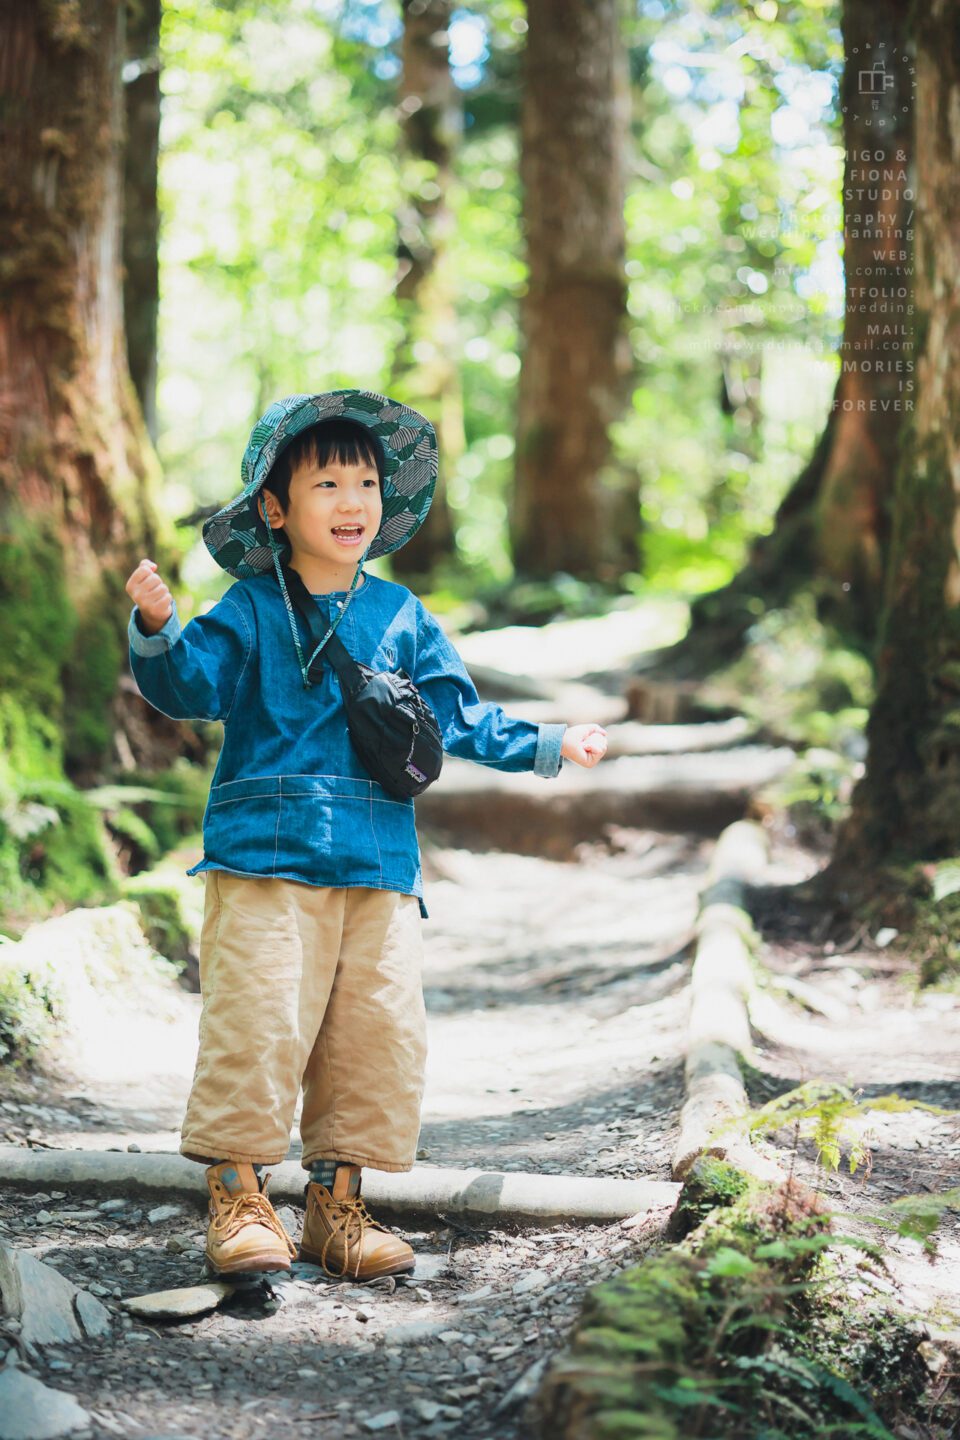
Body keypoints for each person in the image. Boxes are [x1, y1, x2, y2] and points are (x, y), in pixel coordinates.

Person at [125, 388, 608, 1282]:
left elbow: (456, 718)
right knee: (256, 1022)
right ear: (276, 509)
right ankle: (237, 1198)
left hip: (379, 863)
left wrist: (549, 742)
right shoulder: (250, 608)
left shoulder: (402, 615)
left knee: (372, 1036)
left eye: (367, 484)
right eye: (327, 485)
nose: (352, 502)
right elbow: (191, 688)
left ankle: (336, 1209)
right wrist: (159, 629)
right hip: (263, 860)